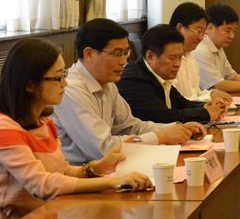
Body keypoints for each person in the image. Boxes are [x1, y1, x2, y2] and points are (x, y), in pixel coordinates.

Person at [0, 38, 153, 219]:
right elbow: (42, 185)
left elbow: (62, 170)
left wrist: (98, 167)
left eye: (64, 74)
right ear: (30, 84)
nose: (65, 83)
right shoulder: (1, 127)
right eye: (58, 78)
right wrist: (111, 181)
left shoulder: (43, 119)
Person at [53, 18, 201, 164]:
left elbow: (130, 127)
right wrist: (160, 137)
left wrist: (176, 128)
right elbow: (103, 149)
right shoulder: (71, 89)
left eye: (126, 53)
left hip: (109, 169)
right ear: (89, 54)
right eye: (117, 53)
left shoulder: (107, 83)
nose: (124, 61)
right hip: (81, 174)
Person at [118, 24, 229, 124]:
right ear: (150, 56)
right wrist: (206, 113)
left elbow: (183, 103)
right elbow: (163, 117)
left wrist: (207, 106)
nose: (177, 64)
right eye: (172, 58)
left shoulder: (159, 74)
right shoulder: (134, 80)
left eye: (180, 57)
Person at [168, 2, 232, 106]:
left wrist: (213, 93)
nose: (201, 38)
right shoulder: (168, 60)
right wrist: (209, 97)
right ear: (180, 27)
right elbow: (178, 101)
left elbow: (195, 93)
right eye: (198, 31)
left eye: (203, 33)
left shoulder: (190, 57)